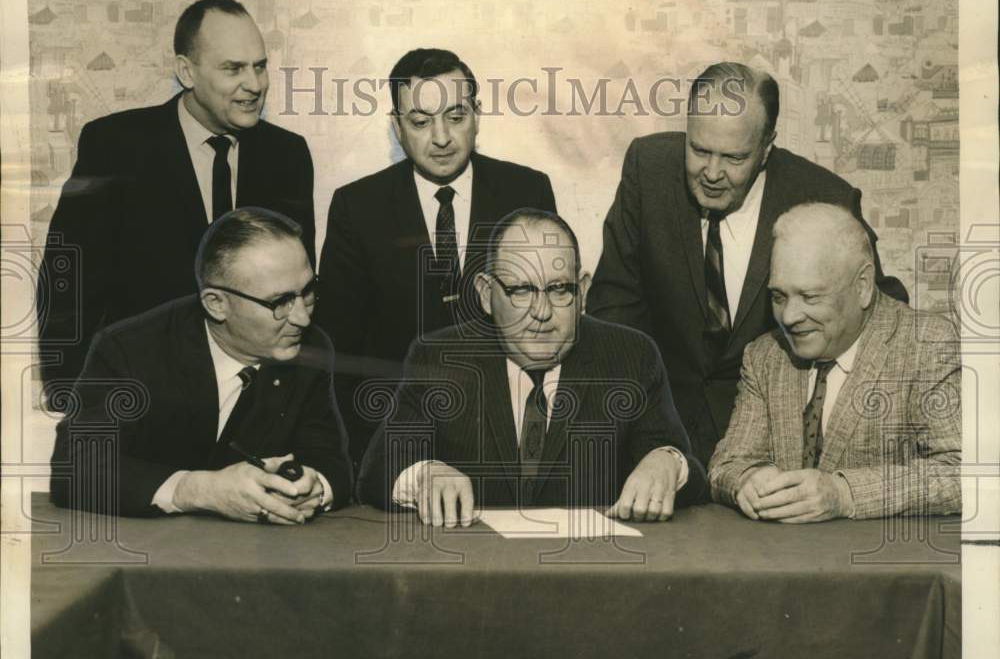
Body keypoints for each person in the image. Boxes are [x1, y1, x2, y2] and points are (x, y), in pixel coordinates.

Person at [587, 61, 908, 469]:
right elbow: (614, 309)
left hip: (769, 448)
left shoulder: (824, 196)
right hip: (657, 434)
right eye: (699, 150)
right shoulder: (648, 169)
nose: (713, 173)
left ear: (766, 148)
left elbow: (882, 309)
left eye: (734, 158)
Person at [37, 0, 315, 396]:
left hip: (252, 400)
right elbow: (69, 276)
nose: (254, 85)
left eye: (260, 66)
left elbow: (296, 289)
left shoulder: (288, 155)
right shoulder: (115, 145)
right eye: (233, 68)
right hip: (141, 396)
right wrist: (69, 391)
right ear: (187, 71)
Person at [357, 208, 705, 526]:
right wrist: (425, 473)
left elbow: (689, 473)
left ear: (582, 291)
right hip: (475, 574)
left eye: (559, 290)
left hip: (592, 574)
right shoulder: (440, 356)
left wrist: (668, 462)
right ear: (485, 294)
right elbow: (376, 470)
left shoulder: (630, 356)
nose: (541, 312)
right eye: (521, 290)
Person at [316, 48, 556, 474]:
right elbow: (339, 349)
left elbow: (547, 329)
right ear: (397, 127)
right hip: (393, 449)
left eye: (456, 116)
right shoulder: (357, 207)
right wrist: (367, 460)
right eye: (421, 122)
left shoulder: (527, 192)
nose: (441, 137)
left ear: (477, 115)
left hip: (506, 450)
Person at [49, 208, 351, 522]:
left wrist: (313, 487)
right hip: (147, 550)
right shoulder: (129, 351)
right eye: (280, 302)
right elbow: (75, 467)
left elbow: (330, 459)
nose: (303, 317)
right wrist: (200, 489)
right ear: (216, 304)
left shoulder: (309, 347)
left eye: (308, 291)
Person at [709, 203, 960, 521]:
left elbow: (962, 474)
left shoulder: (927, 344)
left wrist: (844, 493)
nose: (789, 317)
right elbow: (727, 463)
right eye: (778, 297)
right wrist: (749, 478)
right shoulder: (765, 356)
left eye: (810, 297)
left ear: (863, 286)